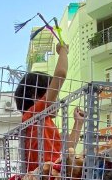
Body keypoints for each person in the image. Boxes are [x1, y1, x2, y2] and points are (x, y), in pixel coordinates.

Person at [14, 43, 84, 171]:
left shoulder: (46, 122)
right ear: (36, 96)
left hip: (52, 177)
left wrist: (78, 123)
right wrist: (62, 50)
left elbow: (68, 149)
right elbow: (61, 74)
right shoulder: (33, 115)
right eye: (53, 94)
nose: (57, 101)